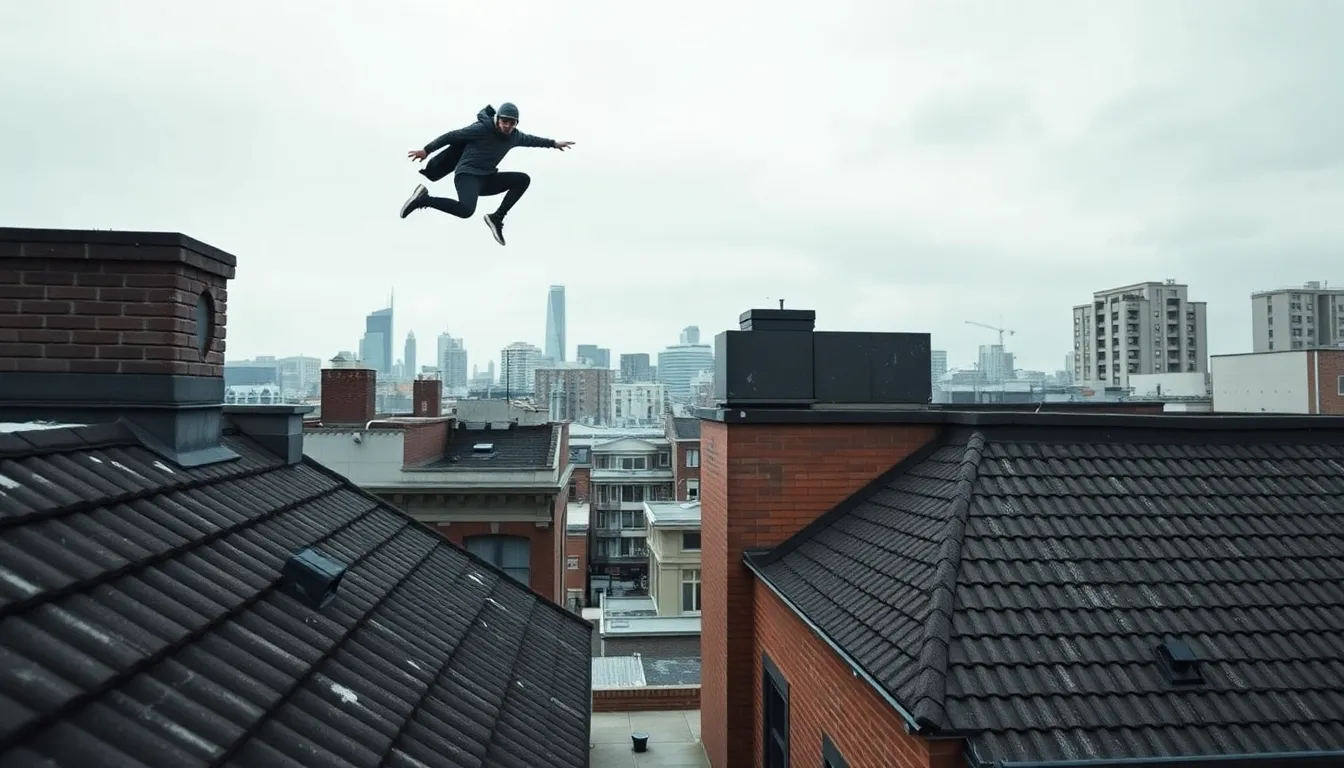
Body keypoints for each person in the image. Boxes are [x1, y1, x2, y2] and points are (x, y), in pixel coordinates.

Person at [399, 102, 575, 246]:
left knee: (522, 179)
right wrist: (426, 150)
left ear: (516, 124)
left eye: (511, 123)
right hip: (467, 175)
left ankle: (496, 218)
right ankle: (422, 200)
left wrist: (553, 144)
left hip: (487, 179)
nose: (507, 126)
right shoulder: (482, 129)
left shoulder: (515, 136)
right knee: (466, 210)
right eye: (504, 121)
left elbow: (532, 140)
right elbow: (451, 136)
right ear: (497, 119)